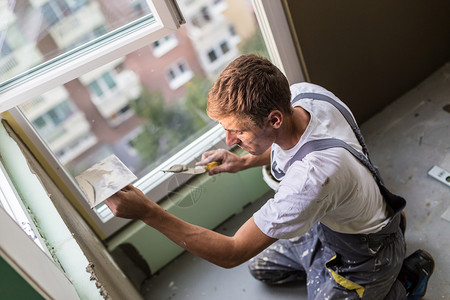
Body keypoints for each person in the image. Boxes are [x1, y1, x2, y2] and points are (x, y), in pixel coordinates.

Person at [105, 54, 434, 299]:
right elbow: (285, 148)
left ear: (274, 118)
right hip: (333, 218)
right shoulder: (304, 95)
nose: (229, 142)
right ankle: (389, 228)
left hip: (364, 254)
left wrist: (147, 211)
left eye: (237, 132)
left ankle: (402, 280)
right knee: (262, 268)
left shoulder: (311, 180)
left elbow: (233, 251)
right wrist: (240, 162)